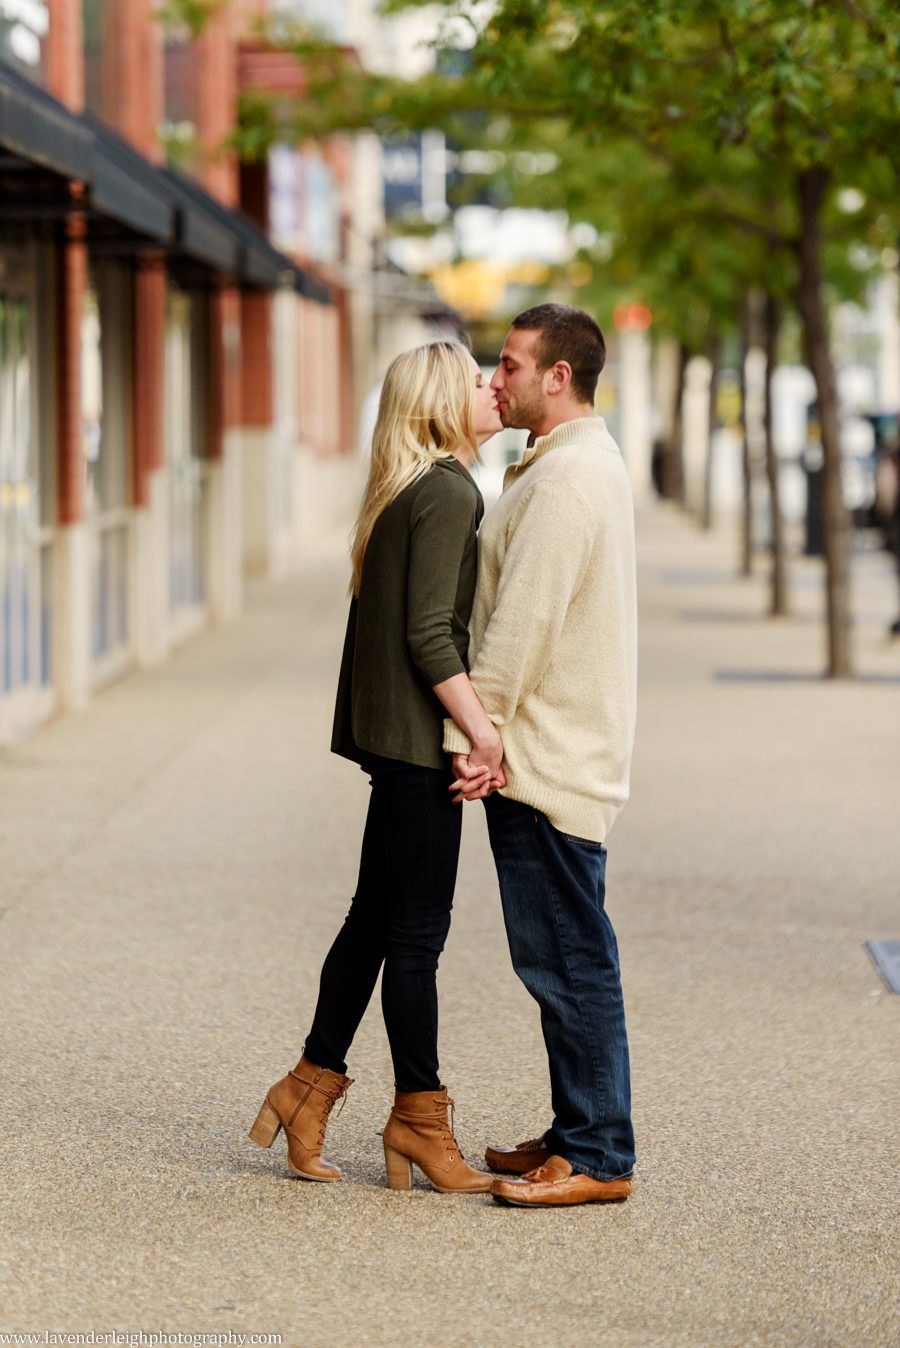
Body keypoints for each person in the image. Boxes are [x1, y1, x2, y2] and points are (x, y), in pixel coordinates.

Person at [249, 342, 503, 1193]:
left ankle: (307, 1088)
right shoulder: (448, 491)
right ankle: (421, 1121)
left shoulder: (405, 490)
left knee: (373, 922)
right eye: (476, 379)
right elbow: (431, 633)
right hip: (416, 749)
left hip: (392, 745)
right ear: (440, 400)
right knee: (415, 940)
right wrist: (482, 734)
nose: (490, 388)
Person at [447, 303, 638, 1207]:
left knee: (568, 962)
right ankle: (577, 1128)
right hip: (544, 752)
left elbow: (521, 624)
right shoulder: (568, 464)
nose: (498, 375)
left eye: (513, 364)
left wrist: (473, 737)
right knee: (562, 957)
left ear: (558, 376)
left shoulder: (569, 481)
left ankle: (598, 1154)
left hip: (547, 762)